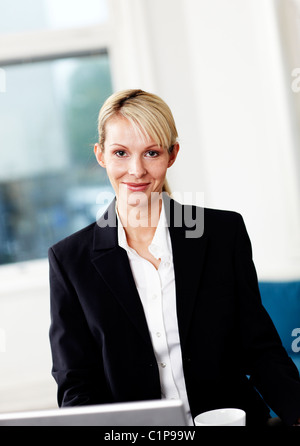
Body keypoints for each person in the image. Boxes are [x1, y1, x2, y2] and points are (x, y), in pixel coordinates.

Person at [49, 89, 300, 426]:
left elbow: (261, 350)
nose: (136, 170)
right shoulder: (69, 261)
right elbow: (76, 386)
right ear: (101, 155)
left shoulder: (223, 234)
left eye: (151, 153)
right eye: (121, 153)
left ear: (172, 154)